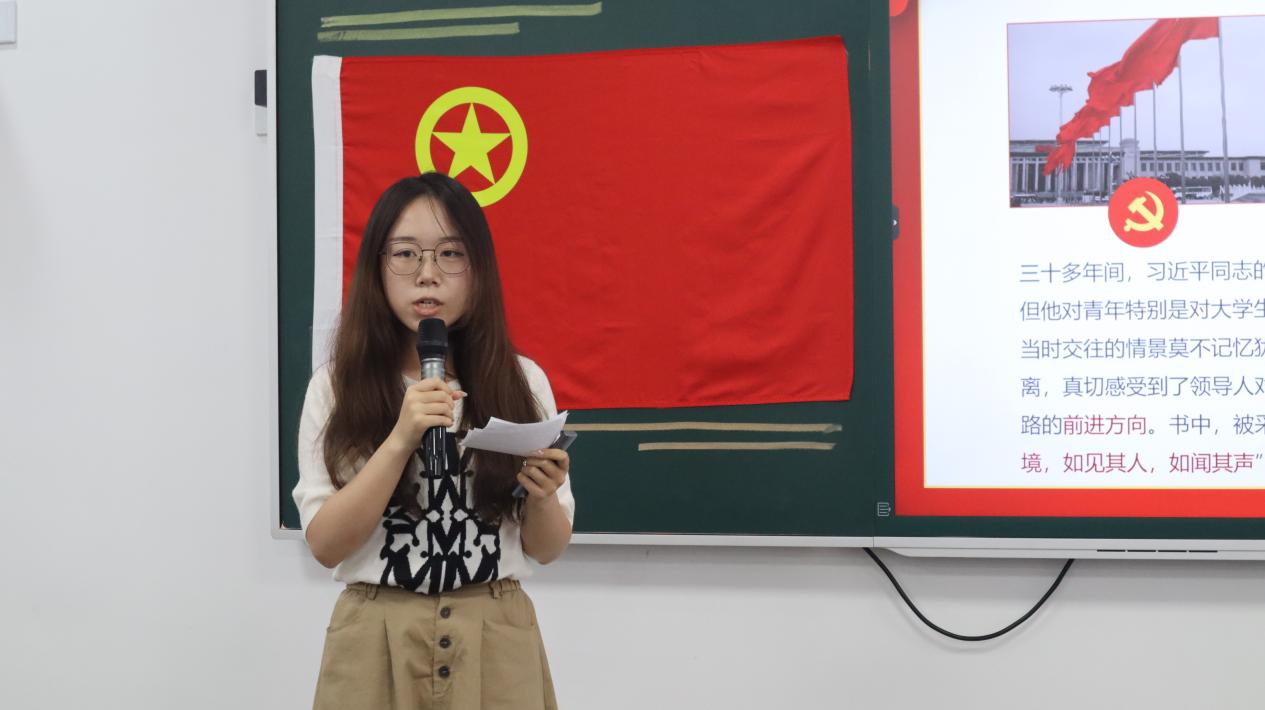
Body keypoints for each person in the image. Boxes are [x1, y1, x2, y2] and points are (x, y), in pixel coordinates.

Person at [293, 173, 575, 710]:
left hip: (496, 640)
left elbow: (547, 548)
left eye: (450, 254)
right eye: (405, 254)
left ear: (478, 270)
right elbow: (326, 544)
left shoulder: (521, 381)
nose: (428, 274)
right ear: (377, 268)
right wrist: (401, 438)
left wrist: (542, 496)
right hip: (375, 639)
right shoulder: (336, 387)